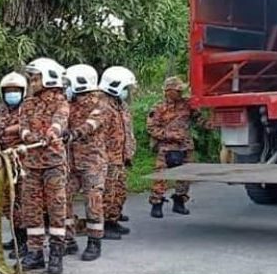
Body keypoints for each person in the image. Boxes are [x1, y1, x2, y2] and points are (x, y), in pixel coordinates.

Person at [18, 58, 69, 274]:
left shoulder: (60, 101)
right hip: (32, 164)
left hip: (54, 163)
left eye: (36, 78)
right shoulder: (28, 104)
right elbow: (22, 126)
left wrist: (53, 132)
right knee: (32, 208)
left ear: (48, 78)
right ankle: (36, 252)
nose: (32, 82)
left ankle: (56, 253)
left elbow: (61, 120)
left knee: (56, 207)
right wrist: (28, 136)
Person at [62, 64, 109, 262]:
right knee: (62, 199)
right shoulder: (69, 103)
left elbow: (92, 124)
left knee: (93, 203)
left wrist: (74, 133)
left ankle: (94, 242)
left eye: (69, 83)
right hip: (71, 163)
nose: (66, 87)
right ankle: (67, 239)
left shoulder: (100, 102)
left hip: (92, 163)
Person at [147, 76, 207, 217]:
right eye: (178, 90)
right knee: (161, 176)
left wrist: (214, 124)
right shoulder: (158, 108)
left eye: (181, 91)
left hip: (185, 147)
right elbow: (151, 128)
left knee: (185, 176)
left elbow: (199, 119)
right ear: (168, 91)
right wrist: (170, 135)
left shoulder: (187, 105)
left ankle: (179, 202)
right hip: (166, 148)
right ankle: (157, 204)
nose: (181, 93)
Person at [0, 72, 28, 260]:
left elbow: (26, 128)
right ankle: (15, 237)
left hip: (21, 161)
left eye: (16, 91)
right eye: (8, 91)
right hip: (3, 160)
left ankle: (24, 241)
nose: (12, 94)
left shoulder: (28, 109)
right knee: (7, 203)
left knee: (20, 201)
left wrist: (6, 130)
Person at [100, 66, 138, 238]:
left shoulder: (120, 105)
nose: (127, 92)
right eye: (125, 88)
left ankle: (113, 220)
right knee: (107, 192)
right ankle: (103, 225)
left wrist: (128, 152)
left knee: (119, 191)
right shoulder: (102, 105)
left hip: (120, 157)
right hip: (107, 158)